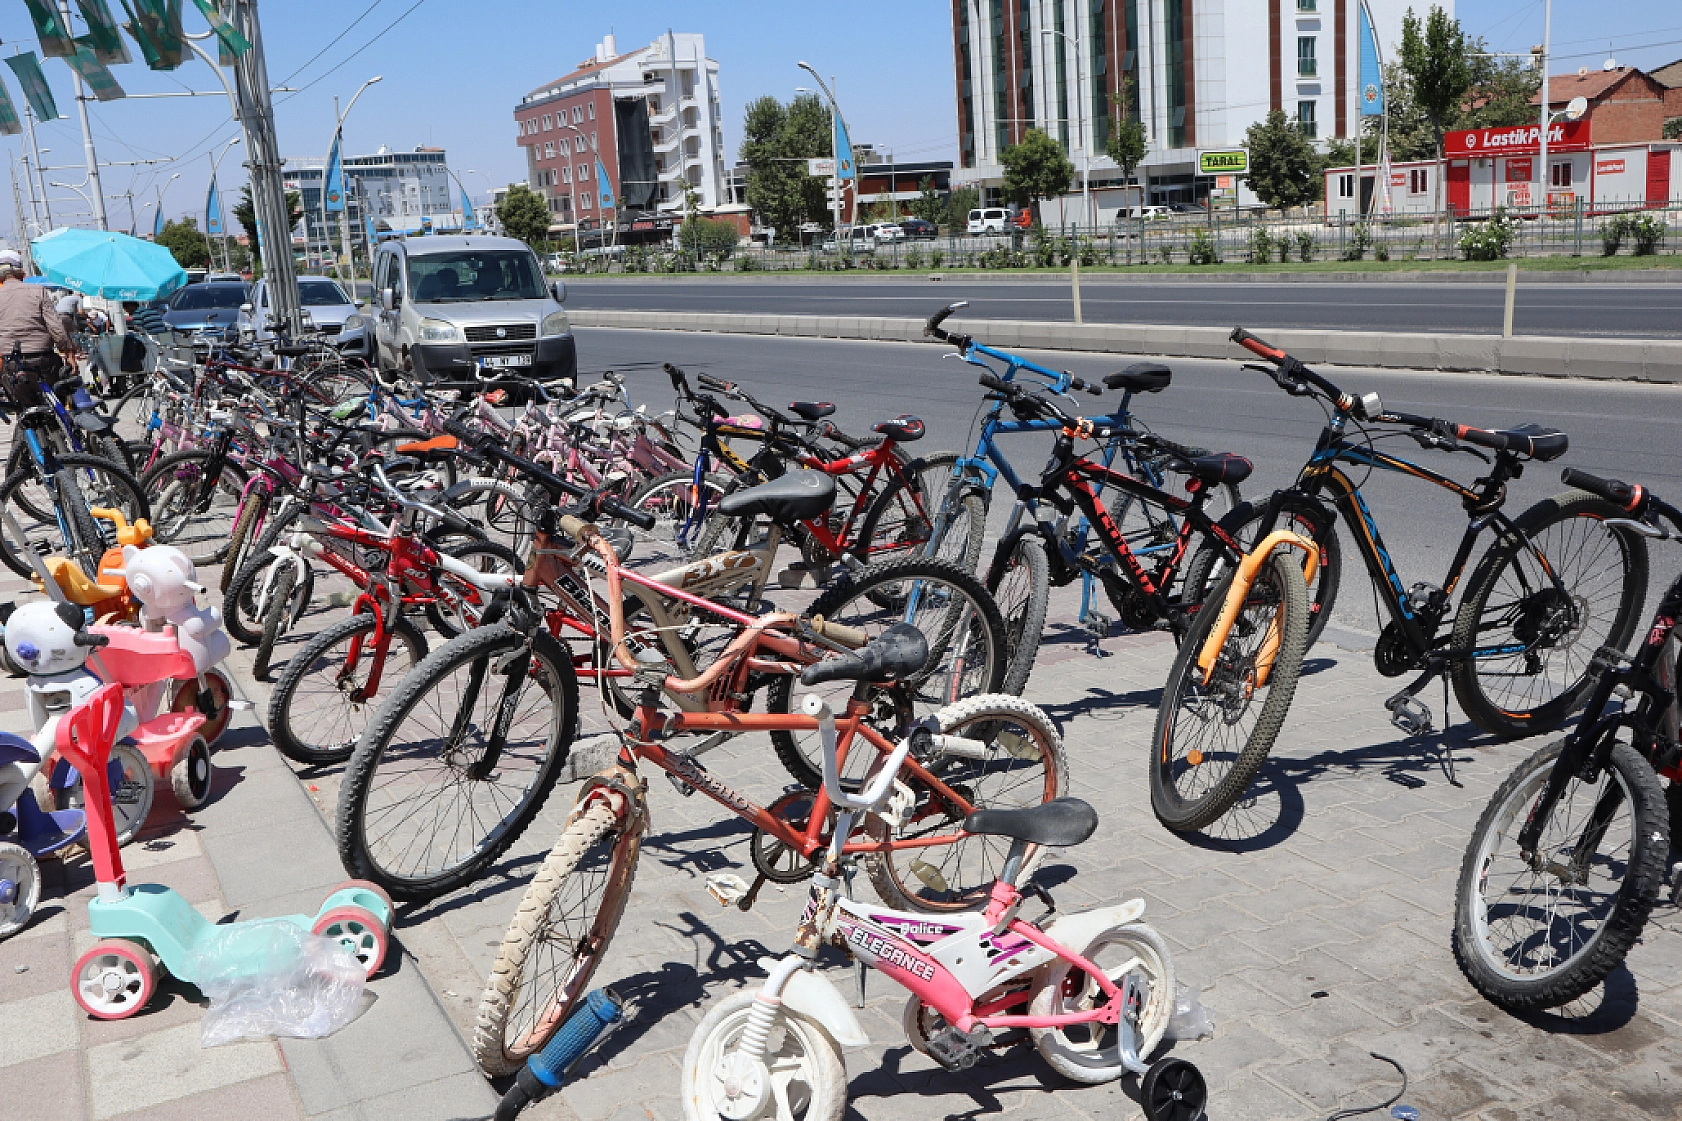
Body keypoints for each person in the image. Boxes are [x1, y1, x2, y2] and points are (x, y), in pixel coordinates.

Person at [0, 249, 74, 397]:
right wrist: (69, 353)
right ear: (21, 272)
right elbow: (56, 328)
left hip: (11, 363)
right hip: (43, 360)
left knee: (25, 407)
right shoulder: (38, 291)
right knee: (55, 403)